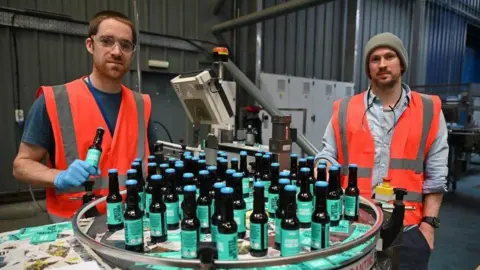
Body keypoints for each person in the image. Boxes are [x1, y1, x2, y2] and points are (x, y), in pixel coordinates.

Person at [315, 32, 448, 269]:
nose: (383, 64)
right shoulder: (345, 109)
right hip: (354, 227)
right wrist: (322, 168)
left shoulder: (429, 109)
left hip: (408, 230)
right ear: (368, 67)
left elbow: (436, 175)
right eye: (375, 59)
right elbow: (328, 154)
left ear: (402, 63)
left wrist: (428, 226)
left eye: (390, 56)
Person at [13, 11, 158, 223]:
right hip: (74, 224)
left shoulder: (141, 104)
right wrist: (59, 177)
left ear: (132, 53)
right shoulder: (54, 100)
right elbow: (21, 165)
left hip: (131, 220)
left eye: (125, 45)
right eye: (107, 41)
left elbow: (151, 162)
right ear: (90, 45)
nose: (117, 51)